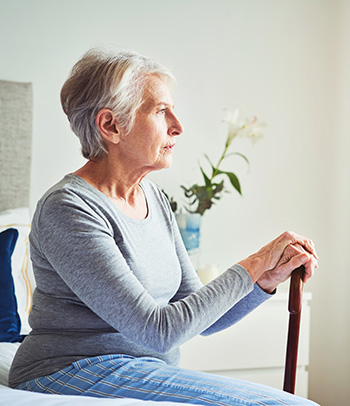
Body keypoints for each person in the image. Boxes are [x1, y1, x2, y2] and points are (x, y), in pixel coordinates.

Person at [9, 48, 319, 406]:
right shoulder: (68, 209)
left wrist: (265, 280)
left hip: (139, 368)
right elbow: (159, 331)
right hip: (69, 370)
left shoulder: (153, 198)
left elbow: (198, 317)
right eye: (160, 110)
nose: (178, 125)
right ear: (110, 125)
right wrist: (254, 263)